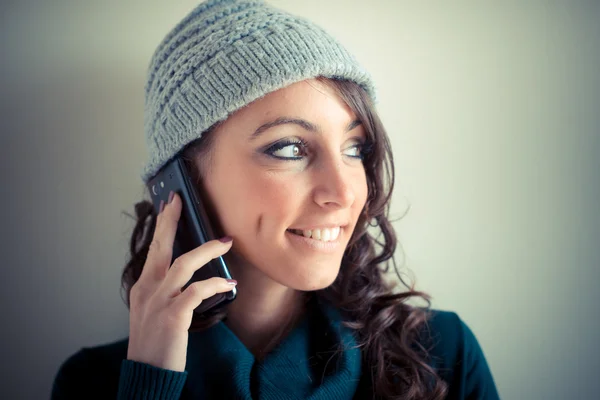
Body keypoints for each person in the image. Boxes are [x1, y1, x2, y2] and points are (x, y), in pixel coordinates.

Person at [51, 0, 500, 399]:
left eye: (355, 149)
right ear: (180, 179)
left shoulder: (441, 356)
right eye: (289, 148)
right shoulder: (96, 383)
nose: (345, 193)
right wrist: (150, 383)